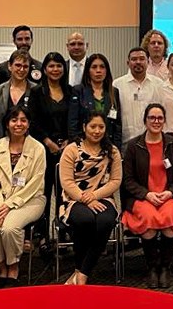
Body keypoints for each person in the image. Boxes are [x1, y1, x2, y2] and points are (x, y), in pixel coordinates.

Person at [0, 106, 46, 283]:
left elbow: (35, 183)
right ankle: (1, 267)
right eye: (14, 120)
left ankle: (13, 267)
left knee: (9, 228)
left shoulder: (38, 148)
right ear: (7, 124)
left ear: (28, 124)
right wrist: (1, 202)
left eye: (23, 120)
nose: (18, 124)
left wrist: (10, 204)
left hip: (29, 199)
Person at [122, 104, 173, 289]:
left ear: (164, 121)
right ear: (145, 120)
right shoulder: (133, 146)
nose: (156, 121)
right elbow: (128, 180)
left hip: (167, 196)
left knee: (169, 219)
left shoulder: (172, 144)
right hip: (142, 197)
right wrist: (147, 194)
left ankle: (165, 267)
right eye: (152, 118)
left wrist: (170, 192)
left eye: (160, 118)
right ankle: (152, 267)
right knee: (148, 222)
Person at [59, 111, 122, 285]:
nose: (97, 131)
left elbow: (115, 181)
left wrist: (94, 195)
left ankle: (82, 272)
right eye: (93, 126)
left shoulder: (112, 151)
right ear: (84, 127)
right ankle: (81, 271)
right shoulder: (72, 149)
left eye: (101, 127)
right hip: (74, 198)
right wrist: (85, 198)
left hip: (103, 197)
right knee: (85, 219)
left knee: (105, 221)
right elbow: (67, 182)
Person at [29, 52, 71, 253]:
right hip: (43, 149)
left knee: (65, 193)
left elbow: (74, 119)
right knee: (44, 194)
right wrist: (48, 142)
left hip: (67, 151)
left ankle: (64, 233)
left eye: (59, 66)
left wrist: (69, 141)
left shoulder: (71, 91)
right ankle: (43, 236)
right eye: (51, 66)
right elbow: (33, 122)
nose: (55, 69)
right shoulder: (37, 92)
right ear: (44, 69)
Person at [113, 47, 164, 149]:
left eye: (142, 59)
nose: (138, 62)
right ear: (128, 63)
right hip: (126, 143)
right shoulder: (117, 84)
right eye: (134, 59)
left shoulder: (158, 84)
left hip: (152, 141)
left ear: (148, 62)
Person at [68, 53, 122, 148]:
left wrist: (115, 148)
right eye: (94, 67)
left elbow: (117, 125)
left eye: (102, 67)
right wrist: (78, 146)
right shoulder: (78, 91)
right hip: (83, 145)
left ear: (107, 70)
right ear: (88, 70)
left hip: (108, 145)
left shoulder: (114, 92)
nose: (98, 71)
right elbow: (72, 124)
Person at [0, 50, 36, 142]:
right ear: (9, 66)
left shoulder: (36, 90)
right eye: (18, 65)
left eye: (25, 66)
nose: (21, 70)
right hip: (2, 142)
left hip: (29, 143)